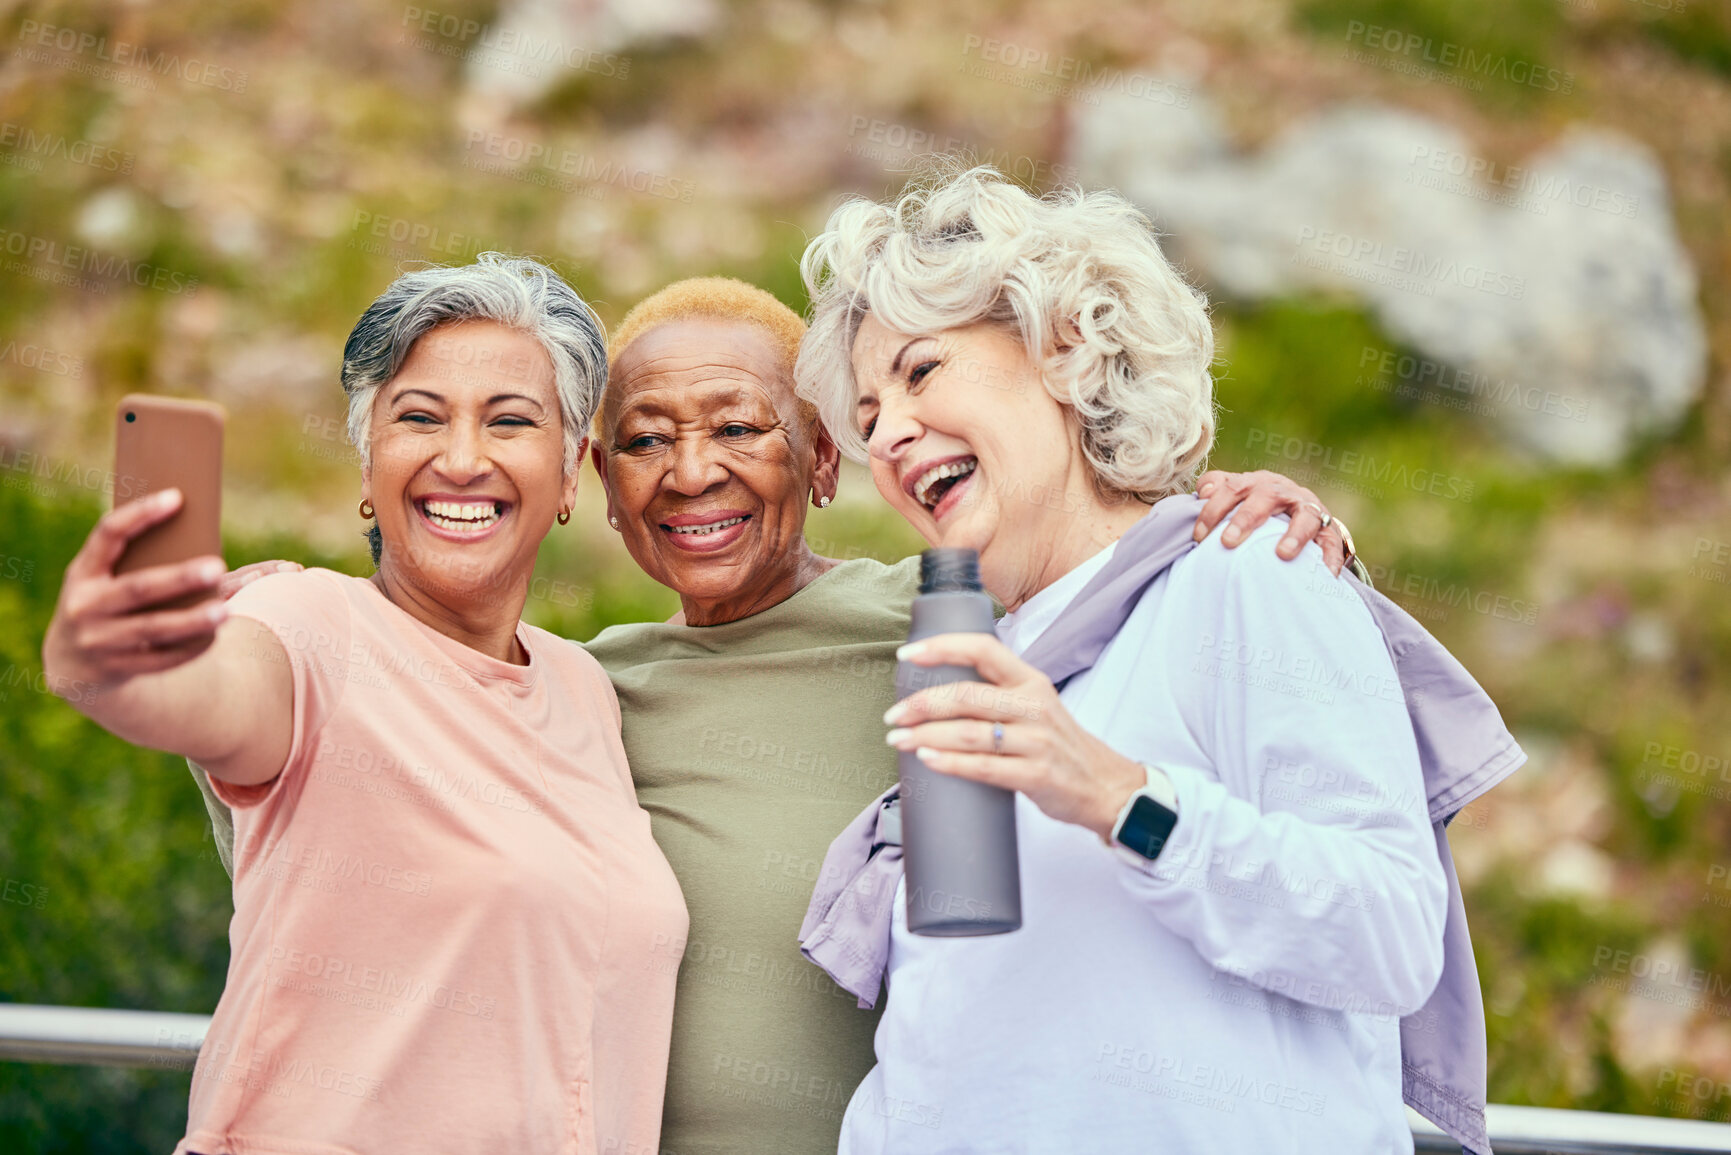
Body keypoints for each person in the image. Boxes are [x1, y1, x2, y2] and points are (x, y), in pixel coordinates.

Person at [199, 274, 1356, 1154]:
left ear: (820, 462)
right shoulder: (580, 689)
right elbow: (357, 770)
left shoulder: (951, 619)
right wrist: (273, 627)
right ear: (598, 491)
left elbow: (1123, 587)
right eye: (644, 440)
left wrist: (1224, 511)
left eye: (740, 428)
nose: (689, 473)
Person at [793, 167, 1520, 1154]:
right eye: (869, 418)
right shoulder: (968, 656)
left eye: (920, 372)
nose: (891, 434)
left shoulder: (1250, 571)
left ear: (1065, 345)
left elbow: (1390, 936)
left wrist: (1115, 794)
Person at [43, 254, 687, 1154]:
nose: (461, 460)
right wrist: (104, 661)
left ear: (572, 470)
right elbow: (204, 693)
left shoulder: (583, 687)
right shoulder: (310, 623)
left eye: (509, 421)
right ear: (369, 458)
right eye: (418, 418)